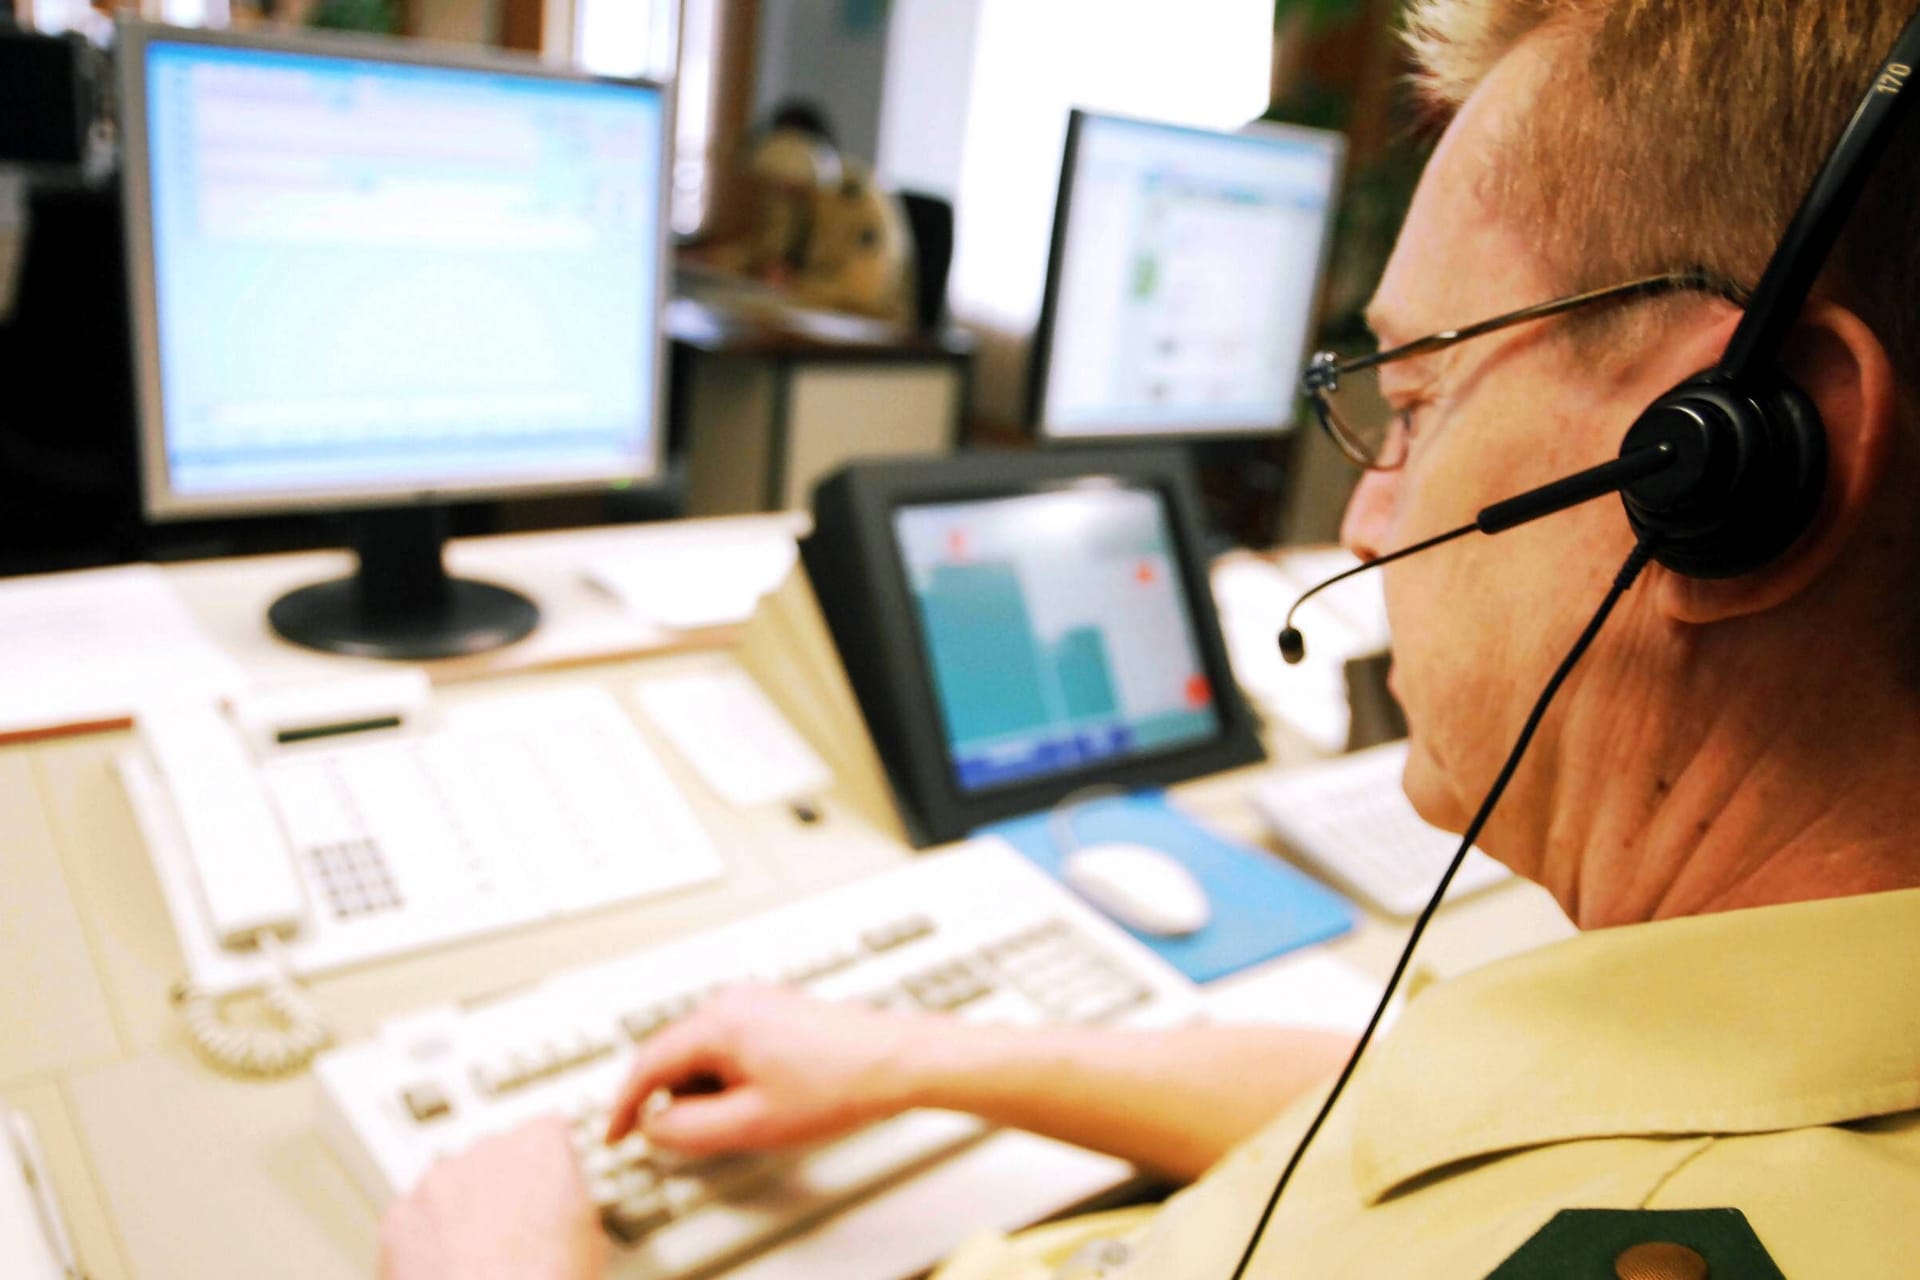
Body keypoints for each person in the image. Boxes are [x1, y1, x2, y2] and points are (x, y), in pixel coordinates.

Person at [379, 2, 1920, 1275]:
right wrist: (912, 1056)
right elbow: (1409, 1106)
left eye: (1417, 402)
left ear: (1737, 471)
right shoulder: (1753, 1024)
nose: (1369, 522)